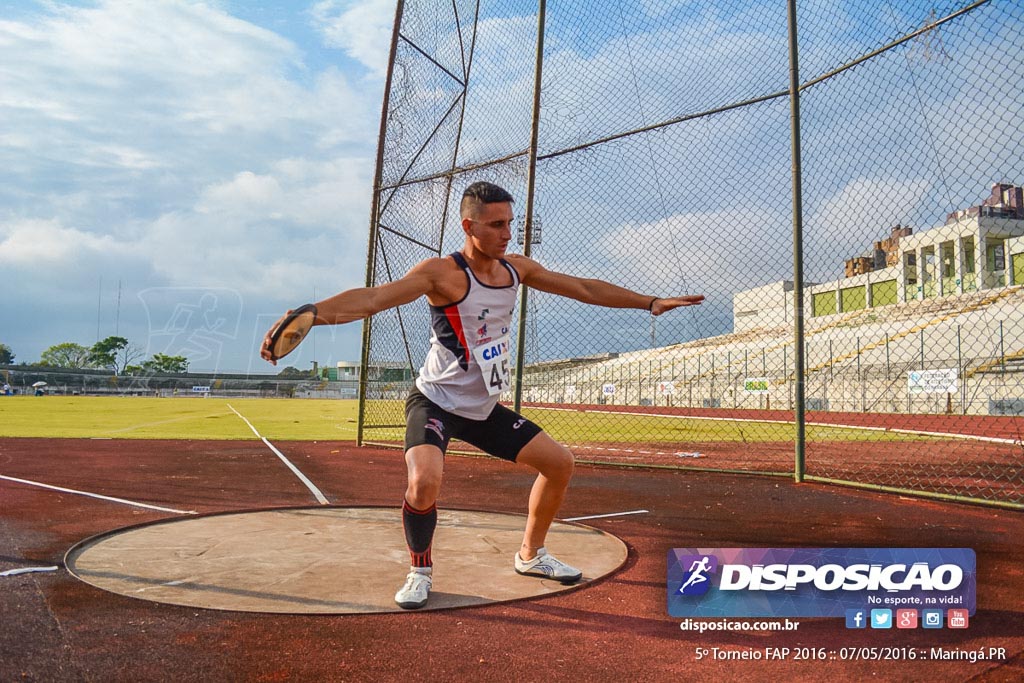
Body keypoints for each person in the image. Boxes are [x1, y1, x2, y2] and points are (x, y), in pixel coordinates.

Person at [261, 181, 704, 609]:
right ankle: (420, 571)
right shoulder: (443, 273)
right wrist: (314, 314)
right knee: (424, 481)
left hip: (483, 407)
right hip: (434, 402)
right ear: (468, 226)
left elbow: (584, 288)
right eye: (496, 225)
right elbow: (375, 299)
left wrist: (649, 302)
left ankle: (530, 556)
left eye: (510, 224)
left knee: (559, 463)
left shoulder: (517, 269)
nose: (506, 233)